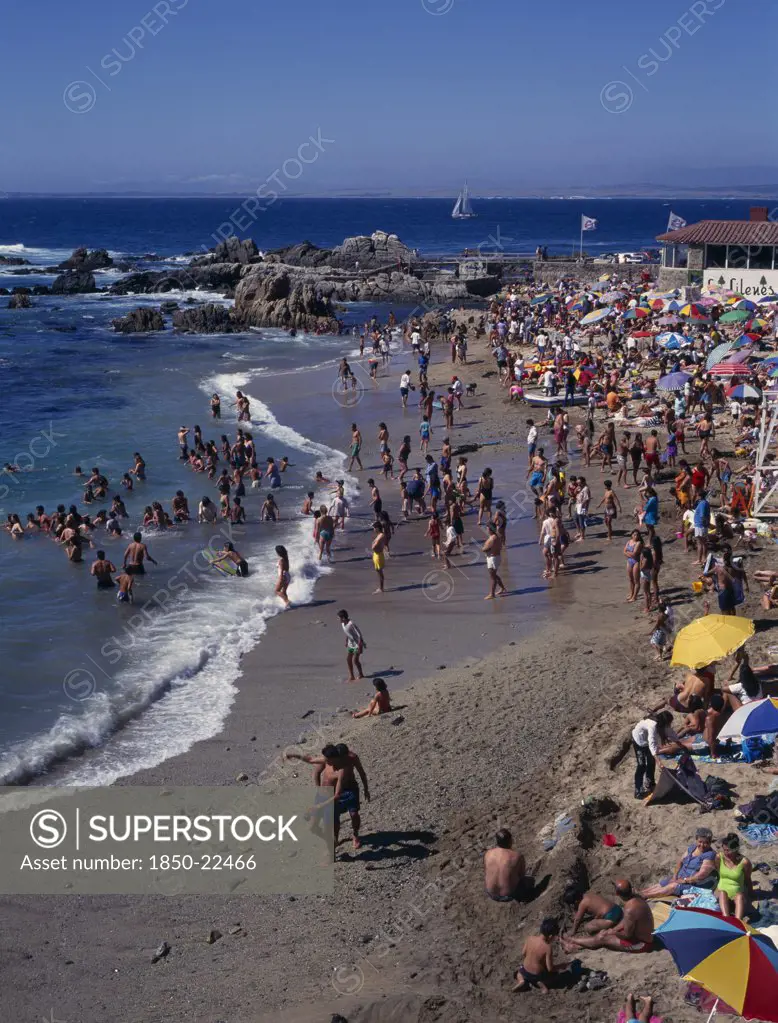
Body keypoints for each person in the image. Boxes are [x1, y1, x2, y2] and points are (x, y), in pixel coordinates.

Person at [285, 743, 370, 851]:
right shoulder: (329, 759)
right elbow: (312, 763)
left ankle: (354, 835)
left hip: (348, 790)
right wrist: (293, 755)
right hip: (328, 794)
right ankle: (333, 840)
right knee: (328, 821)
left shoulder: (346, 764)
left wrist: (365, 789)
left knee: (353, 814)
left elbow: (361, 773)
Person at [561, 880, 655, 954]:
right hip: (642, 937)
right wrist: (613, 930)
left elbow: (627, 935)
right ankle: (576, 945)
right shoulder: (636, 899)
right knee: (603, 933)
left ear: (617, 894)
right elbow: (625, 921)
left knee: (602, 938)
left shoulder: (629, 909)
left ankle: (572, 941)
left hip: (641, 944)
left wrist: (613, 932)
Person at [641, 828, 717, 897]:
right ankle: (640, 893)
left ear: (710, 843)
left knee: (673, 886)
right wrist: (675, 876)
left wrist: (684, 880)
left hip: (693, 884)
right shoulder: (692, 848)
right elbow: (680, 862)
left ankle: (644, 896)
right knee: (662, 883)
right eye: (700, 842)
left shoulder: (710, 855)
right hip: (680, 877)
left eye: (706, 843)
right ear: (696, 840)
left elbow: (701, 875)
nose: (702, 845)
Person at [631, 711, 678, 798]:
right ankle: (638, 790)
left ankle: (650, 784)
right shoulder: (652, 726)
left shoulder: (663, 725)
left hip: (647, 742)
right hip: (639, 741)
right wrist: (659, 761)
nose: (669, 725)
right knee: (641, 765)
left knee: (651, 763)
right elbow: (652, 744)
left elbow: (671, 733)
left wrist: (679, 743)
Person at [513, 918, 560, 994]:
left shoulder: (530, 938)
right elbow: (550, 968)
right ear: (551, 936)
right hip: (536, 975)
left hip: (524, 971)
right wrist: (562, 966)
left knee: (519, 972)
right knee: (553, 974)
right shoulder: (547, 948)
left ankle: (521, 980)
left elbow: (523, 953)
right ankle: (541, 985)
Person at [715, 833, 753, 921]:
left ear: (736, 849)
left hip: (737, 893)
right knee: (722, 893)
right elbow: (718, 871)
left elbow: (747, 878)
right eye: (724, 850)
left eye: (729, 850)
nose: (726, 853)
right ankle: (726, 919)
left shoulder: (745, 862)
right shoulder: (719, 857)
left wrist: (751, 893)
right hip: (722, 892)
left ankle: (738, 922)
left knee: (739, 896)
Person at [484, 829, 526, 902]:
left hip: (491, 894)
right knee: (529, 881)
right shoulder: (517, 856)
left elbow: (487, 871)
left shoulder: (488, 854)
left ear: (497, 842)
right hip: (509, 895)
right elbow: (522, 875)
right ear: (510, 841)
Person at [338, 609, 366, 683]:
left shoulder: (351, 624)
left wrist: (360, 645)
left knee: (355, 660)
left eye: (339, 618)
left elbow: (359, 635)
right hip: (351, 644)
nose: (339, 619)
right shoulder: (343, 624)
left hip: (358, 644)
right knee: (348, 659)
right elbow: (348, 633)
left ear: (343, 618)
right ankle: (351, 676)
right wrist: (346, 640)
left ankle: (361, 674)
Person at [483, 523, 507, 599]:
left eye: (487, 528)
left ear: (491, 529)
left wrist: (483, 548)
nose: (487, 530)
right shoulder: (497, 536)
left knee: (492, 577)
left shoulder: (492, 538)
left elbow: (485, 549)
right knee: (494, 575)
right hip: (496, 557)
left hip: (493, 558)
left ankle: (492, 594)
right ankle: (502, 588)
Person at [371, 521, 386, 593]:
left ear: (377, 528)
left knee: (379, 573)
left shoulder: (380, 536)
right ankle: (381, 587)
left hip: (378, 555)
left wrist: (373, 545)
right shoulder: (380, 534)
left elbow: (374, 546)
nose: (373, 530)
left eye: (374, 528)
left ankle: (381, 588)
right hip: (377, 554)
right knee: (378, 571)